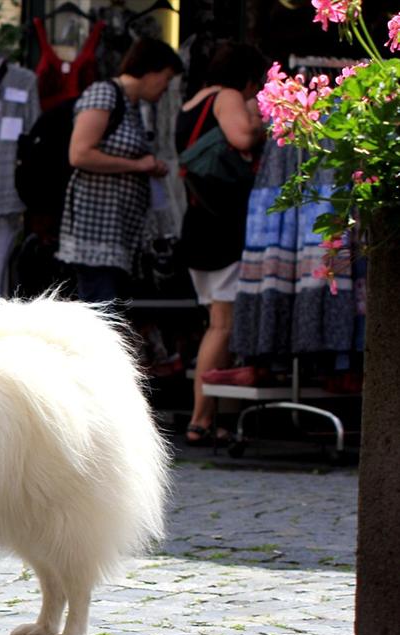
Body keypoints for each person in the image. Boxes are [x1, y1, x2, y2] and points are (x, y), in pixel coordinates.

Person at [175, 43, 266, 445]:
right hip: (221, 226)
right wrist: (269, 117)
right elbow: (242, 137)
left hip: (200, 219)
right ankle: (200, 419)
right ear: (246, 78)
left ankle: (214, 416)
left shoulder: (191, 101)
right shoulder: (228, 97)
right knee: (222, 325)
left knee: (216, 321)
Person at [56, 38, 185, 304]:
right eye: (166, 77)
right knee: (100, 311)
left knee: (110, 310)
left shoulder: (134, 106)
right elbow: (79, 153)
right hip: (96, 232)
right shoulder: (105, 94)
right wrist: (138, 165)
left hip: (119, 234)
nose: (166, 87)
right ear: (151, 70)